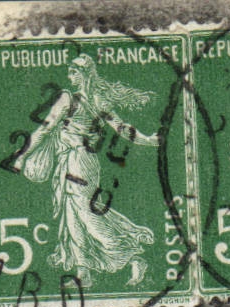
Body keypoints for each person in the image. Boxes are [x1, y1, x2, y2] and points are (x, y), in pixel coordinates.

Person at [17, 54, 161, 287]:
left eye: (73, 72)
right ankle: (84, 272)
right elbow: (123, 129)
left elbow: (45, 129)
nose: (69, 76)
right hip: (78, 161)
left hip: (77, 160)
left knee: (86, 213)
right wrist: (148, 140)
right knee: (72, 214)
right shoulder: (99, 99)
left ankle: (132, 256)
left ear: (84, 74)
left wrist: (22, 155)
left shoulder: (68, 99)